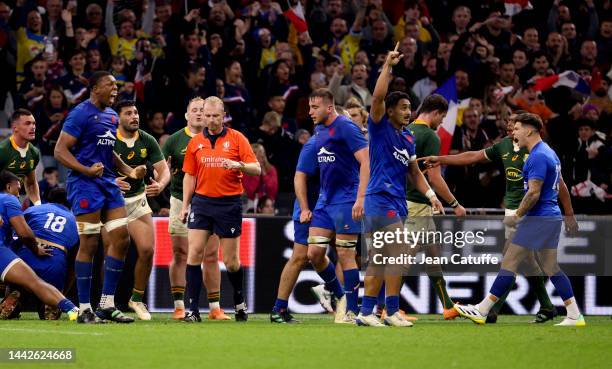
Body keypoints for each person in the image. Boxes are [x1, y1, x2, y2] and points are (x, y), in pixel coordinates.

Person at [422, 114, 578, 323]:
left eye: (517, 126)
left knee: (510, 260)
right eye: (511, 126)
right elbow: (473, 156)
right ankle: (568, 312)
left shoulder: (537, 154)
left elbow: (537, 192)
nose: (512, 129)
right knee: (544, 265)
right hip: (542, 215)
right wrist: (441, 159)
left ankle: (486, 309)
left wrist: (520, 216)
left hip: (533, 215)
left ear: (528, 130)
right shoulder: (536, 151)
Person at [356, 45, 444, 327]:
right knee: (402, 249)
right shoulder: (380, 126)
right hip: (379, 198)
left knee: (379, 259)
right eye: (403, 108)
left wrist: (431, 195)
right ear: (389, 110)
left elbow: (414, 172)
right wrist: (387, 66)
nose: (408, 112)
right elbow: (379, 95)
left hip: (398, 202)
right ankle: (392, 311)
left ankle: (366, 313)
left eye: (410, 108)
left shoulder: (407, 139)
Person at [54, 71, 146, 323]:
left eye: (117, 86)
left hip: (107, 183)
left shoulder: (112, 115)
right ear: (95, 88)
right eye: (110, 85)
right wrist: (85, 170)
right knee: (90, 244)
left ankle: (106, 304)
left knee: (121, 239)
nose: (116, 90)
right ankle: (85, 309)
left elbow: (107, 152)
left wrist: (129, 171)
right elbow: (59, 150)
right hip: (84, 185)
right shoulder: (80, 114)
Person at [181, 96, 261, 322]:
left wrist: (239, 165)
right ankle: (192, 310)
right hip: (202, 202)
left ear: (224, 115)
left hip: (229, 204)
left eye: (216, 116)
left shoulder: (237, 139)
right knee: (194, 252)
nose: (211, 120)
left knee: (231, 260)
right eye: (207, 116)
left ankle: (239, 301)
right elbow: (190, 175)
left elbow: (257, 169)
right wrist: (185, 205)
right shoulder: (195, 142)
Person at [162, 97, 230, 321]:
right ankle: (180, 305)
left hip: (209, 201)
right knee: (181, 254)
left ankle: (214, 307)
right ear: (186, 115)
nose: (200, 114)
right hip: (180, 200)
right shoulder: (174, 141)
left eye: (203, 110)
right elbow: (160, 172)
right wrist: (164, 176)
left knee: (210, 255)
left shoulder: (220, 139)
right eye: (195, 110)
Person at [306, 88, 369, 324]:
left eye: (315, 107)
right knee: (313, 253)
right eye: (310, 107)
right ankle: (341, 297)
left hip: (346, 198)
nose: (310, 112)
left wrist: (360, 198)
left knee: (345, 253)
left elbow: (366, 162)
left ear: (329, 107)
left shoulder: (346, 127)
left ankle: (352, 311)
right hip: (324, 200)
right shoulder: (319, 128)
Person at [406, 94, 466, 320]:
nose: (442, 122)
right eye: (442, 117)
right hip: (418, 204)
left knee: (432, 254)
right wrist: (455, 204)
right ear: (435, 112)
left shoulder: (406, 130)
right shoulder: (429, 136)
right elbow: (434, 177)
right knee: (406, 257)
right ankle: (387, 307)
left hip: (406, 200)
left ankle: (448, 305)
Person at [112, 100, 170, 320]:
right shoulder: (108, 139)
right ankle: (104, 300)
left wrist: (161, 184)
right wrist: (111, 181)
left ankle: (136, 299)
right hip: (112, 203)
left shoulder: (147, 139)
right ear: (118, 118)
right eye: (128, 113)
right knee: (109, 253)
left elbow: (163, 170)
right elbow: (92, 167)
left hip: (137, 201)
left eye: (136, 112)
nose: (134, 116)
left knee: (147, 250)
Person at [0, 171, 78, 321]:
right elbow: (75, 264)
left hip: (26, 254)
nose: (19, 194)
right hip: (54, 259)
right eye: (18, 188)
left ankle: (15, 294)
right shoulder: (73, 220)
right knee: (36, 283)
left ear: (48, 200)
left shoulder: (33, 210)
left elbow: (18, 237)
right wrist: (62, 290)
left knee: (17, 278)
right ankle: (61, 306)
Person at [270, 135, 320, 323]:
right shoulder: (313, 145)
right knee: (300, 256)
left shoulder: (350, 144)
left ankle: (345, 303)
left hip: (334, 207)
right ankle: (279, 308)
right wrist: (305, 207)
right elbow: (299, 177)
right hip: (311, 209)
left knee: (345, 253)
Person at [0, 109, 41, 205]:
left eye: (34, 123)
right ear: (15, 128)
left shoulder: (34, 152)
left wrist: (38, 205)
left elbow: (31, 184)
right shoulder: (2, 150)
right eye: (27, 123)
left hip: (14, 203)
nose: (33, 127)